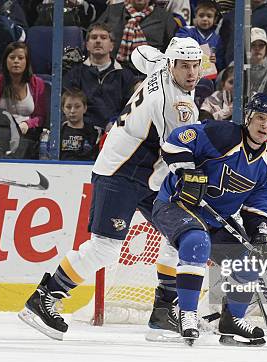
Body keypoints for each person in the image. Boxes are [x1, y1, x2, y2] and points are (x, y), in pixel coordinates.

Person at [18, 37, 202, 340]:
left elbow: (140, 53)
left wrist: (156, 57)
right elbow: (176, 154)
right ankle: (45, 297)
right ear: (173, 65)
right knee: (106, 247)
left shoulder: (159, 67)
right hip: (121, 171)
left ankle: (162, 313)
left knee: (178, 234)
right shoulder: (176, 105)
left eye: (196, 66)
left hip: (143, 172)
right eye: (185, 66)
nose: (192, 73)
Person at [152, 93, 267, 345]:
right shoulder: (222, 135)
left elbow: (256, 207)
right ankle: (187, 314)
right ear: (248, 118)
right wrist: (188, 171)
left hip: (215, 218)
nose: (264, 125)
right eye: (259, 118)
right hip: (175, 205)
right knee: (196, 241)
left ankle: (232, 320)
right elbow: (175, 141)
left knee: (253, 256)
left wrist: (260, 235)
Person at [63, 23, 136, 131]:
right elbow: (69, 108)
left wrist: (117, 122)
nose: (98, 41)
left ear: (111, 46)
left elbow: (131, 108)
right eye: (93, 37)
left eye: (103, 37)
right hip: (83, 132)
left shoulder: (125, 75)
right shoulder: (74, 74)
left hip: (116, 132)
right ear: (87, 45)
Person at [0, 42, 48, 159]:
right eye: (12, 58)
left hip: (28, 136)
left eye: (21, 58)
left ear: (27, 62)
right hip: (1, 133)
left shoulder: (38, 84)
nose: (16, 61)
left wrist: (28, 124)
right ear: (5, 61)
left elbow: (41, 116)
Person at [97, 0, 177, 65]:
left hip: (148, 73)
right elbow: (94, 33)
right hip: (114, 71)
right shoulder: (112, 11)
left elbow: (171, 48)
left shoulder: (165, 17)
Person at [175, 0, 223, 71]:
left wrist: (216, 61)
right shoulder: (187, 31)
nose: (205, 19)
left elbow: (222, 62)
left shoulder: (217, 39)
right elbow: (179, 43)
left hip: (210, 76)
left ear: (215, 19)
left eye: (209, 16)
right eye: (201, 15)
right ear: (195, 16)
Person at [59, 88, 99, 161]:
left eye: (77, 107)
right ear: (63, 109)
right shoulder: (57, 133)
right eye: (68, 107)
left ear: (85, 108)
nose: (72, 111)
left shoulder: (95, 133)